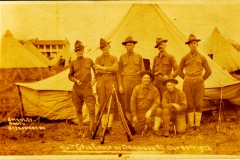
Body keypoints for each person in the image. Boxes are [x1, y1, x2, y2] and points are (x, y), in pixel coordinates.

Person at [172, 34, 212, 132]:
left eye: (195, 43)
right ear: (188, 45)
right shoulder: (185, 57)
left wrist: (201, 79)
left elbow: (209, 71)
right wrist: (185, 78)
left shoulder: (202, 57)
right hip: (188, 81)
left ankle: (197, 125)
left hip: (198, 80)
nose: (193, 45)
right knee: (189, 103)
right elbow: (178, 70)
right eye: (191, 44)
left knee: (198, 103)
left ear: (197, 44)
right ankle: (191, 125)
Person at [68, 40, 96, 138]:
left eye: (81, 50)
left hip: (87, 88)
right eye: (77, 50)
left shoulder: (89, 60)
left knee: (92, 110)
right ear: (75, 52)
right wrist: (75, 80)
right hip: (77, 90)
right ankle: (81, 131)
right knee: (78, 110)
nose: (80, 52)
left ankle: (92, 131)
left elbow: (97, 71)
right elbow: (70, 75)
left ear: (84, 50)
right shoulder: (73, 63)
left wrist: (94, 80)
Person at [94, 38, 118, 135]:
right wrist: (108, 69)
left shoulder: (114, 58)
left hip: (111, 81)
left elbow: (115, 68)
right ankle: (104, 126)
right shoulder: (98, 59)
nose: (105, 49)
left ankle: (110, 126)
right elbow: (96, 70)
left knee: (111, 103)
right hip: (100, 82)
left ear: (109, 47)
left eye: (106, 46)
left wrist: (103, 68)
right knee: (102, 103)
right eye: (102, 47)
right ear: (101, 49)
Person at [118, 36, 145, 123]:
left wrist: (142, 84)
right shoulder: (122, 57)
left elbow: (143, 72)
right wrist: (120, 85)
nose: (129, 47)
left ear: (134, 46)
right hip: (125, 81)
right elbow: (119, 72)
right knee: (126, 102)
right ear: (125, 47)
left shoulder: (139, 56)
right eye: (127, 45)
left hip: (136, 81)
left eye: (131, 45)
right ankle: (128, 124)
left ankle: (137, 122)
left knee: (137, 101)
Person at [130, 71, 162, 136]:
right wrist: (134, 115)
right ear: (141, 79)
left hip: (150, 111)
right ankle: (147, 125)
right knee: (137, 131)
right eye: (145, 78)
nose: (146, 80)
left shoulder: (154, 89)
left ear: (150, 79)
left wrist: (150, 110)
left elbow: (157, 101)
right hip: (140, 112)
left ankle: (155, 128)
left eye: (148, 78)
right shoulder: (137, 88)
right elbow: (133, 102)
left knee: (159, 110)